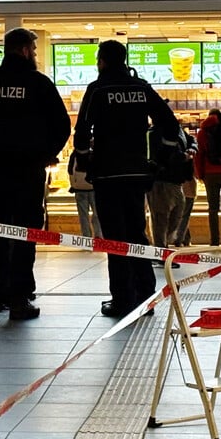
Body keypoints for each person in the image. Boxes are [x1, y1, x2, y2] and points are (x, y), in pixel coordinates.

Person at [0, 27, 71, 320]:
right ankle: (19, 299)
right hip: (27, 174)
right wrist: (44, 156)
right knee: (23, 236)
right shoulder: (38, 83)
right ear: (23, 50)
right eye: (33, 49)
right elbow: (62, 126)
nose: (34, 54)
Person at [73, 40, 180, 318]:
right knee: (136, 232)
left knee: (115, 238)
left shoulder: (98, 90)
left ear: (102, 61)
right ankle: (145, 294)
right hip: (137, 172)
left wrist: (84, 160)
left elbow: (82, 131)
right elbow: (169, 123)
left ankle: (122, 298)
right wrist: (161, 159)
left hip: (107, 174)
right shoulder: (141, 87)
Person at [147, 115, 193, 261]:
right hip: (161, 180)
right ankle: (161, 251)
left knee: (177, 213)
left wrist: (192, 148)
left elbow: (191, 140)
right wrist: (183, 157)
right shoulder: (154, 133)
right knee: (160, 218)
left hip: (177, 180)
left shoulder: (177, 131)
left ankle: (163, 246)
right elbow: (161, 155)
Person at [195, 109, 221, 248]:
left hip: (210, 173)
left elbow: (199, 155)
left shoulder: (202, 132)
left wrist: (200, 174)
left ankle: (214, 241)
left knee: (213, 209)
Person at [68, 149, 101, 238]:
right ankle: (98, 236)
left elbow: (70, 170)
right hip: (93, 188)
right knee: (97, 214)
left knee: (83, 215)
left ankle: (86, 237)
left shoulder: (74, 154)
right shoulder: (94, 153)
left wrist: (73, 185)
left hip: (79, 189)